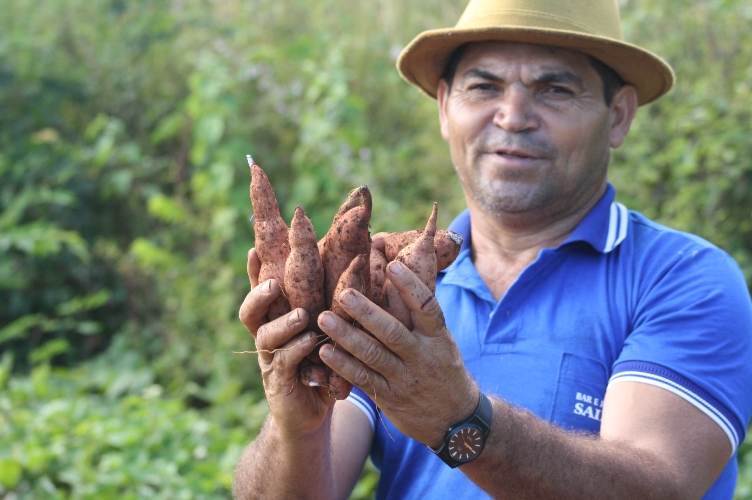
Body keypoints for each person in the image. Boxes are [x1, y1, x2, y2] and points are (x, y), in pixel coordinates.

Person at [234, 0, 752, 498]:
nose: (513, 116)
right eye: (484, 86)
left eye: (555, 89)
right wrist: (296, 430)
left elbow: (660, 486)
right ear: (445, 107)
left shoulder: (684, 278)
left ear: (618, 115)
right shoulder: (384, 281)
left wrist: (460, 418)